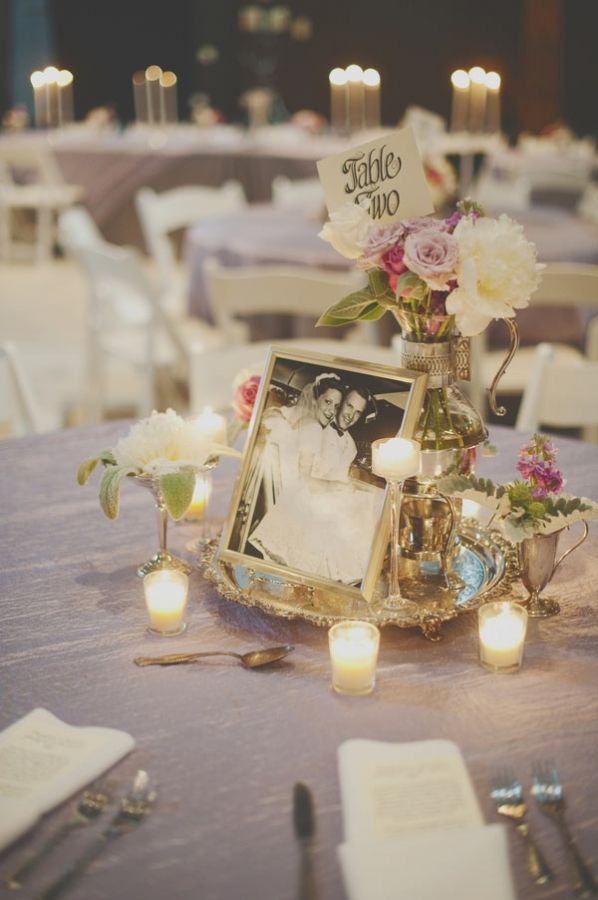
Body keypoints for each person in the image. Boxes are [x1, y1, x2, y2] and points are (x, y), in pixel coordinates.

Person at [248, 380, 384, 584]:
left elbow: (339, 477)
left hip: (328, 499)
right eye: (349, 406)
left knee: (370, 504)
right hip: (306, 497)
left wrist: (346, 488)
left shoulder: (351, 445)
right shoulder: (315, 428)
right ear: (341, 403)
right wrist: (336, 489)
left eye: (358, 412)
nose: (351, 415)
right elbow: (302, 477)